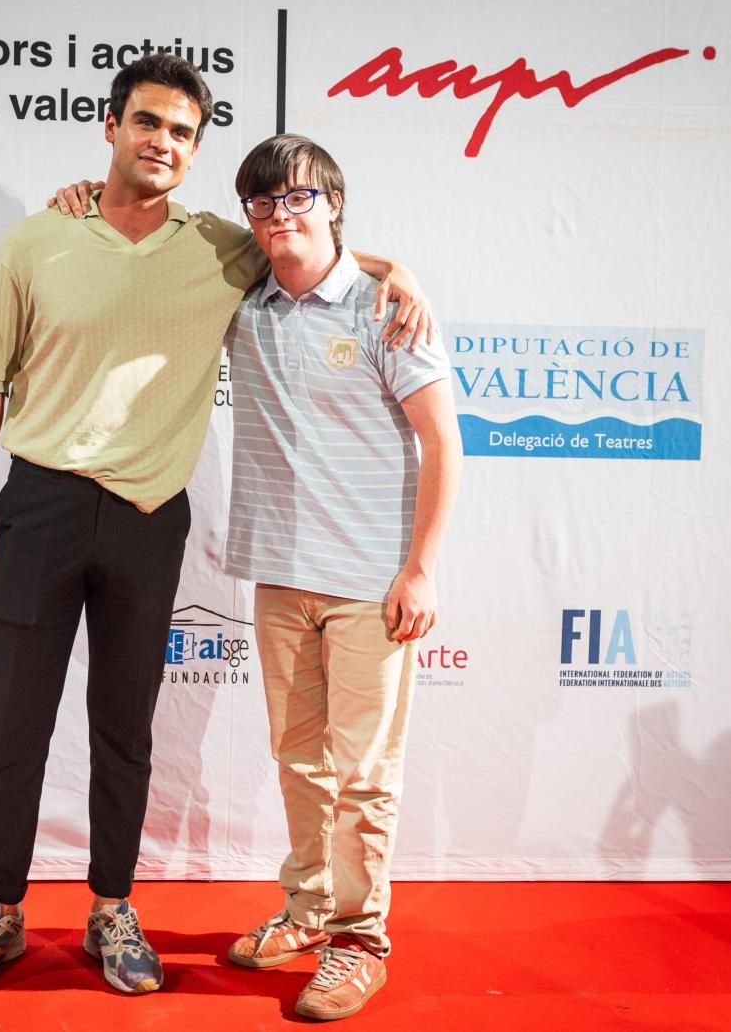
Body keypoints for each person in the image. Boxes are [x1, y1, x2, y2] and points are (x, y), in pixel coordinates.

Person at [0, 55, 433, 998]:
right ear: (112, 126)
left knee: (125, 731)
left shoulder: (218, 244)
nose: (165, 143)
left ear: (195, 152)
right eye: (150, 123)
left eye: (184, 134)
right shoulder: (37, 239)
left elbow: (305, 247)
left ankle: (112, 910)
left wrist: (391, 266)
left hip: (148, 518)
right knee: (13, 727)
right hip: (36, 504)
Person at [220, 134, 460, 1021]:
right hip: (279, 578)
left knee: (365, 773)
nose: (282, 217)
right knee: (299, 763)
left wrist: (421, 569)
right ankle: (310, 909)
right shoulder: (241, 302)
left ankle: (361, 941)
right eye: (265, 204)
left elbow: (445, 443)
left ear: (334, 202)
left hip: (371, 584)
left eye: (300, 199)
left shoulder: (386, 309)